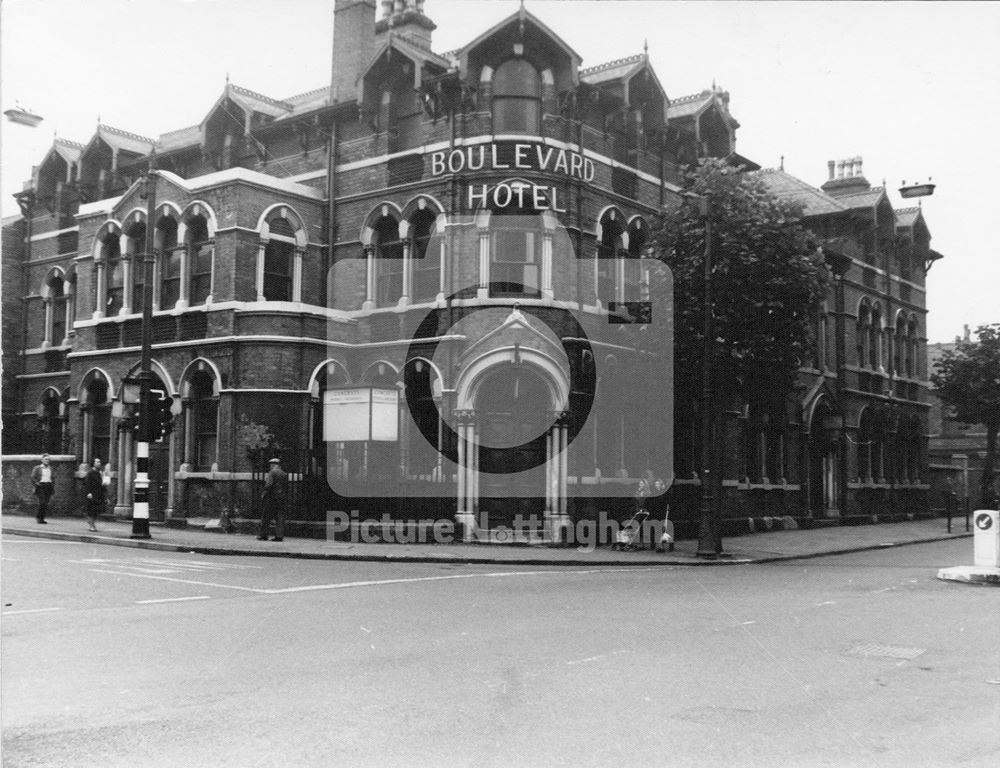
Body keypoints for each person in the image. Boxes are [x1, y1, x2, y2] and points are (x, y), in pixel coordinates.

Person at [257, 457, 288, 541]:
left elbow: (268, 485)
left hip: (271, 497)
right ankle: (279, 536)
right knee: (280, 517)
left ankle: (263, 535)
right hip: (281, 497)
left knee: (266, 515)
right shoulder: (284, 473)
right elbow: (286, 486)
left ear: (273, 464)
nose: (270, 466)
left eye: (271, 464)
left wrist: (264, 492)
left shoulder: (272, 472)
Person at [30, 454, 54, 524]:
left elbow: (53, 478)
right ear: (42, 460)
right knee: (42, 503)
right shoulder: (37, 468)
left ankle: (41, 518)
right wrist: (37, 483)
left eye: (48, 459)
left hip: (48, 486)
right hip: (41, 486)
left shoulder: (50, 468)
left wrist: (52, 485)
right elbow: (33, 477)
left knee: (46, 503)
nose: (47, 461)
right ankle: (39, 518)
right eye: (46, 459)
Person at [83, 458, 105, 532]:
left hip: (99, 494)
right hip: (92, 494)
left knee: (97, 510)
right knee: (91, 510)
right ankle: (92, 526)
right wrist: (89, 493)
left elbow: (102, 484)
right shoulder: (90, 473)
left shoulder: (100, 473)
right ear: (94, 463)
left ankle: (91, 522)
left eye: (100, 462)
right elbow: (87, 484)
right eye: (97, 462)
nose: (99, 463)